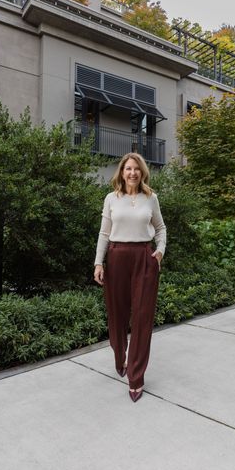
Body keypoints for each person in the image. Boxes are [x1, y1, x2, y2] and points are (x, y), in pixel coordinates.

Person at [94, 153, 166, 402]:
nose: (132, 173)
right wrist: (98, 262)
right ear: (121, 172)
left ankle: (136, 377)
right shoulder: (111, 199)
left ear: (142, 171)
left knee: (143, 318)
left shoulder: (151, 198)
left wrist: (159, 251)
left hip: (144, 258)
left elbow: (161, 228)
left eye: (136, 168)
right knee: (117, 315)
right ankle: (119, 355)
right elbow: (104, 233)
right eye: (128, 168)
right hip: (116, 258)